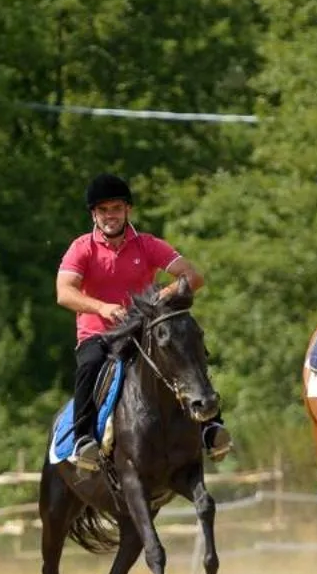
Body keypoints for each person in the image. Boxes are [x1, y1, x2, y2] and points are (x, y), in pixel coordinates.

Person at [55, 173, 229, 471]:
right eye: (104, 210)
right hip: (99, 335)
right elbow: (64, 293)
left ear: (128, 211)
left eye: (117, 209)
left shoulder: (147, 245)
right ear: (94, 214)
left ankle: (210, 426)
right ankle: (84, 439)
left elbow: (193, 277)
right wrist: (102, 307)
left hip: (141, 332)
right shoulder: (82, 248)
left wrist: (161, 295)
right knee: (89, 366)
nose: (111, 216)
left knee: (186, 351)